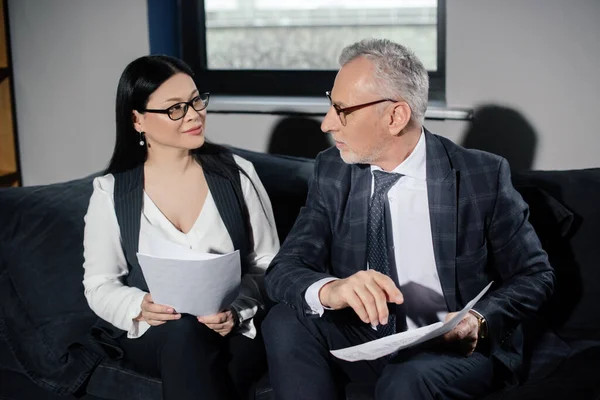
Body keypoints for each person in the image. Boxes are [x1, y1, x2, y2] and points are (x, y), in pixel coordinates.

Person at [262, 38, 555, 400]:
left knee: (409, 379)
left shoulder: (482, 175)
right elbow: (284, 268)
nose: (326, 124)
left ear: (395, 116)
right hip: (366, 334)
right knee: (284, 321)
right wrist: (330, 289)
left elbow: (535, 274)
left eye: (341, 110)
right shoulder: (332, 171)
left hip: (447, 342)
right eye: (330, 105)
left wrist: (477, 321)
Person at [82, 55, 279, 400]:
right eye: (175, 108)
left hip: (231, 328)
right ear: (137, 119)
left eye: (196, 100)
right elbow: (99, 284)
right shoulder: (112, 192)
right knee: (184, 332)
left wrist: (238, 308)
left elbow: (269, 264)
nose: (193, 115)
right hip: (156, 334)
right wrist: (140, 305)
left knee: (204, 355)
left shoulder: (238, 174)